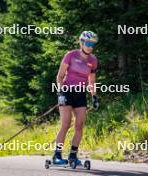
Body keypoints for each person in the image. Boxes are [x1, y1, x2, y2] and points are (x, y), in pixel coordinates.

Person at [53, 31, 100, 165]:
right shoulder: (71, 55)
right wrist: (61, 92)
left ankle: (73, 155)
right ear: (82, 42)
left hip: (80, 94)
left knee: (79, 125)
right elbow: (60, 76)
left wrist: (95, 97)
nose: (90, 46)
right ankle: (57, 155)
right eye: (88, 43)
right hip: (67, 92)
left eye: (93, 44)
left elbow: (91, 82)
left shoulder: (93, 60)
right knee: (66, 124)